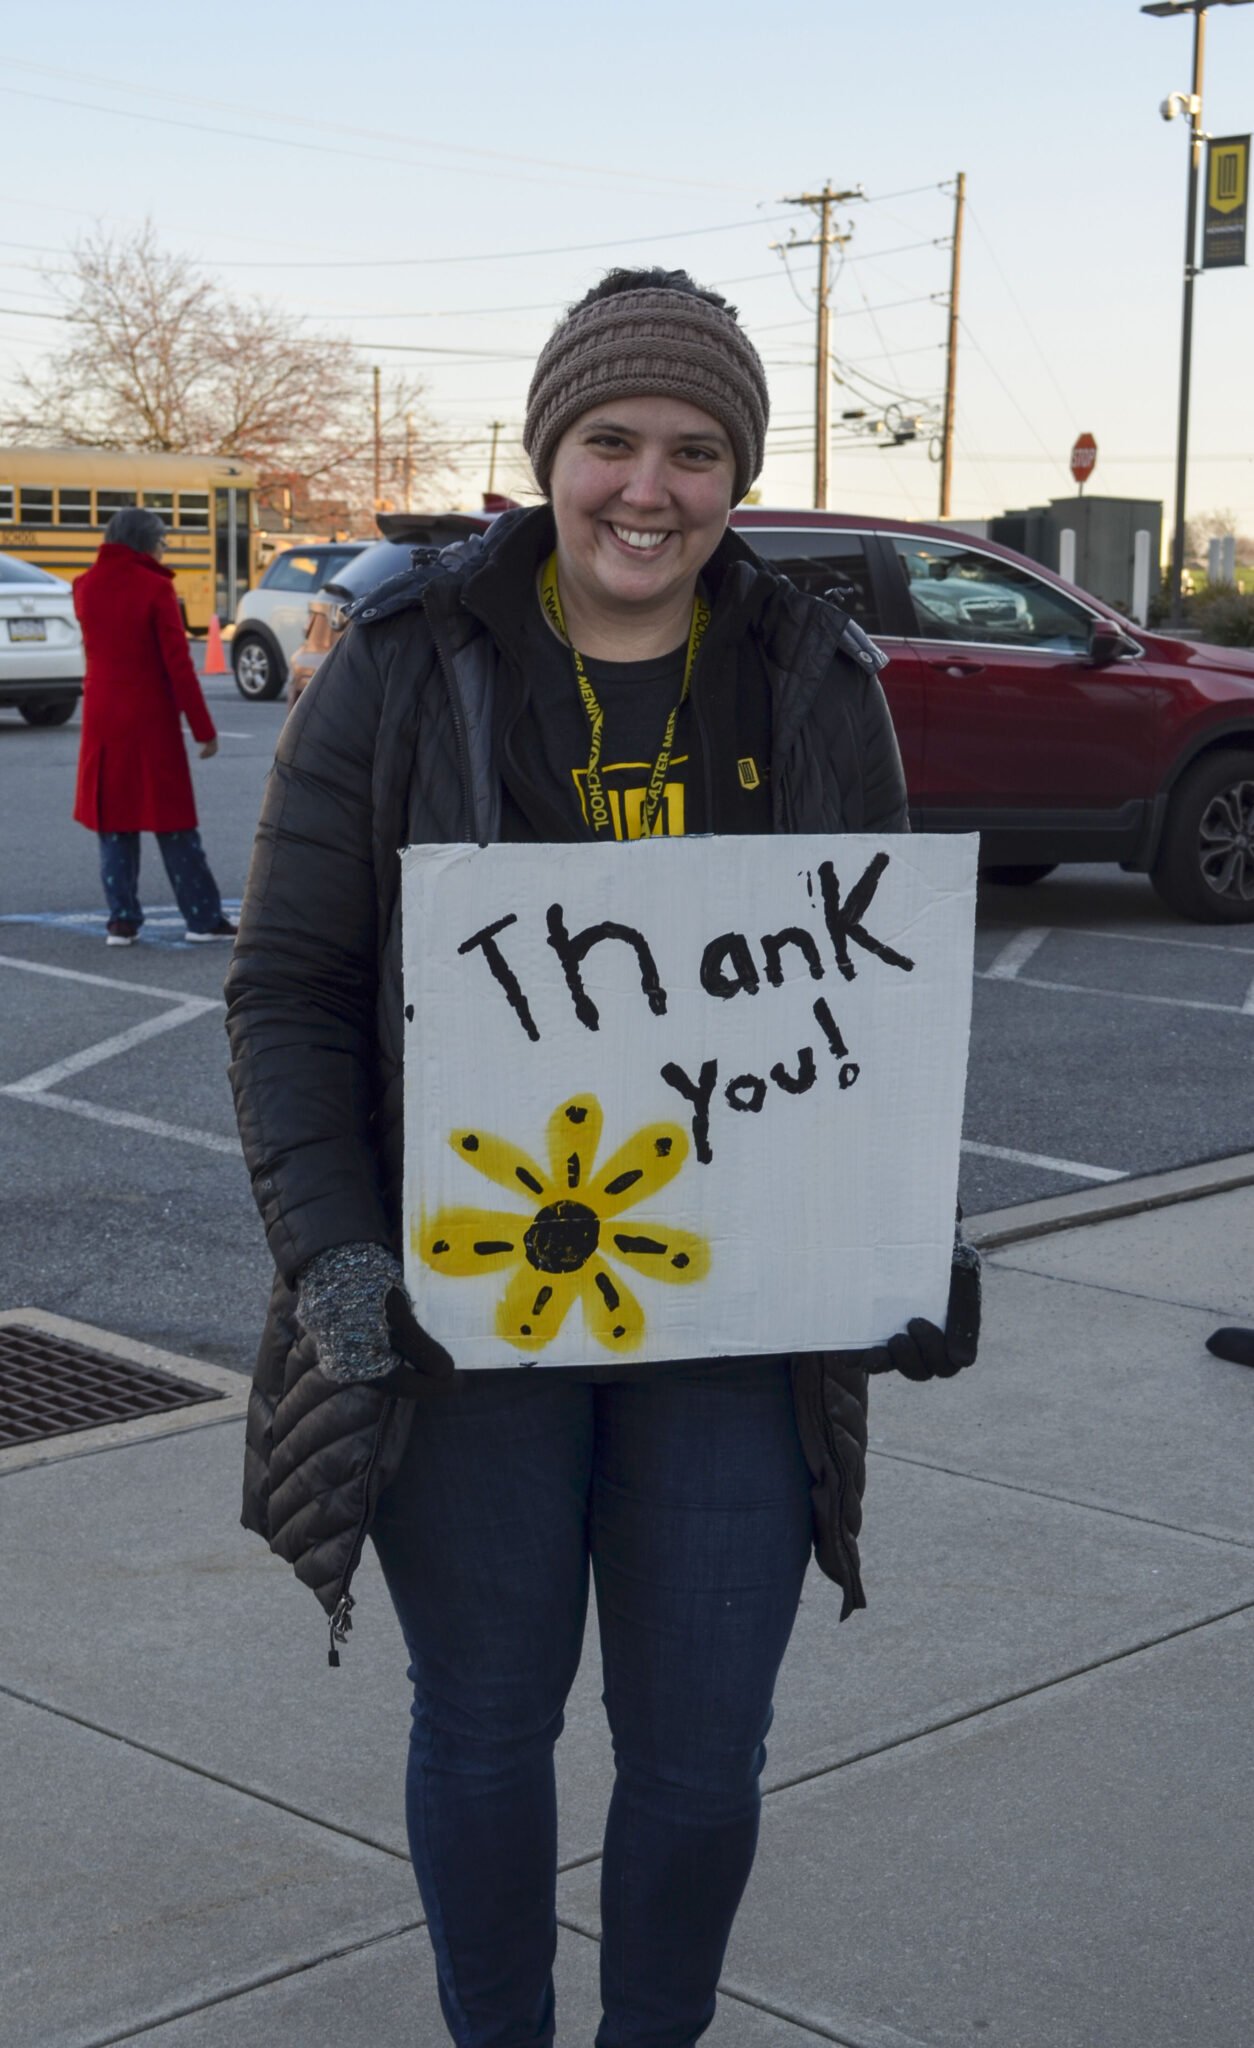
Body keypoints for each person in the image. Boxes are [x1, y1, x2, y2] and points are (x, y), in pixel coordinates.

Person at [226, 268, 981, 2048]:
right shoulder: (405, 660)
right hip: (459, 1308)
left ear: (737, 478)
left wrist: (896, 1242)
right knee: (485, 1723)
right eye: (612, 441)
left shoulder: (812, 676)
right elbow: (284, 991)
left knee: (703, 1746)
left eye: (697, 451)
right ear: (548, 451)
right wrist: (340, 1260)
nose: (650, 487)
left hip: (727, 1327)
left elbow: (856, 1008)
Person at [73, 506, 236, 947]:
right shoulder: (156, 589)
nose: (163, 549)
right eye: (161, 541)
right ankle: (202, 919)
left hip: (103, 716)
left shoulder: (84, 587)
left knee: (115, 820)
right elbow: (178, 667)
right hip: (150, 718)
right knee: (173, 821)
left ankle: (121, 920)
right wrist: (203, 728)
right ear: (146, 542)